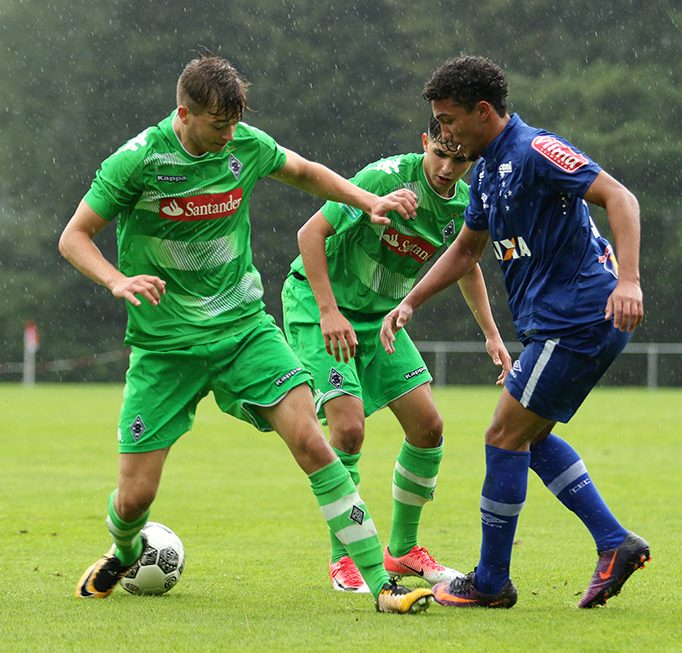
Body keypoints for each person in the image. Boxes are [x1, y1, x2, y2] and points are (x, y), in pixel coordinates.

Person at [59, 53, 434, 614]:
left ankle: (383, 584)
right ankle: (124, 548)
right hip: (166, 347)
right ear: (183, 113)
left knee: (313, 439)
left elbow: (305, 171)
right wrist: (115, 280)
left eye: (235, 123)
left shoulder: (243, 145)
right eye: (217, 125)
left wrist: (369, 200)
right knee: (135, 496)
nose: (229, 135)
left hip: (243, 330)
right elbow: (75, 237)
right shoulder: (136, 161)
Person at [380, 55, 650, 609]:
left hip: (577, 319)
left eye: (449, 119)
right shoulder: (484, 172)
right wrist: (411, 300)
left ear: (484, 111)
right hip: (558, 324)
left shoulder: (534, 150)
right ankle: (614, 542)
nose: (443, 132)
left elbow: (620, 197)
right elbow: (466, 249)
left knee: (503, 435)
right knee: (532, 436)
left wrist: (630, 280)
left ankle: (490, 582)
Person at [282, 117, 511, 594]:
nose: (448, 168)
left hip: (377, 319)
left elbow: (465, 263)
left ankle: (403, 550)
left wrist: (491, 334)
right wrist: (328, 312)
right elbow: (309, 235)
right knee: (347, 429)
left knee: (428, 428)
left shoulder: (466, 204)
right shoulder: (384, 179)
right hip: (318, 306)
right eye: (440, 155)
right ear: (424, 143)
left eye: (461, 159)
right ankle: (343, 559)